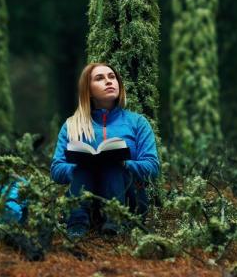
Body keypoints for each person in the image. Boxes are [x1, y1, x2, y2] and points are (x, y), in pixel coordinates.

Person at [50, 62, 160, 237]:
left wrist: (124, 164)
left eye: (112, 77)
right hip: (85, 198)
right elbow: (56, 170)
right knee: (83, 168)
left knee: (112, 166)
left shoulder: (137, 122)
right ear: (88, 90)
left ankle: (114, 224)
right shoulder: (72, 125)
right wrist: (80, 167)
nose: (109, 81)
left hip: (129, 202)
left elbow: (153, 167)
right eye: (99, 78)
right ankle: (77, 226)